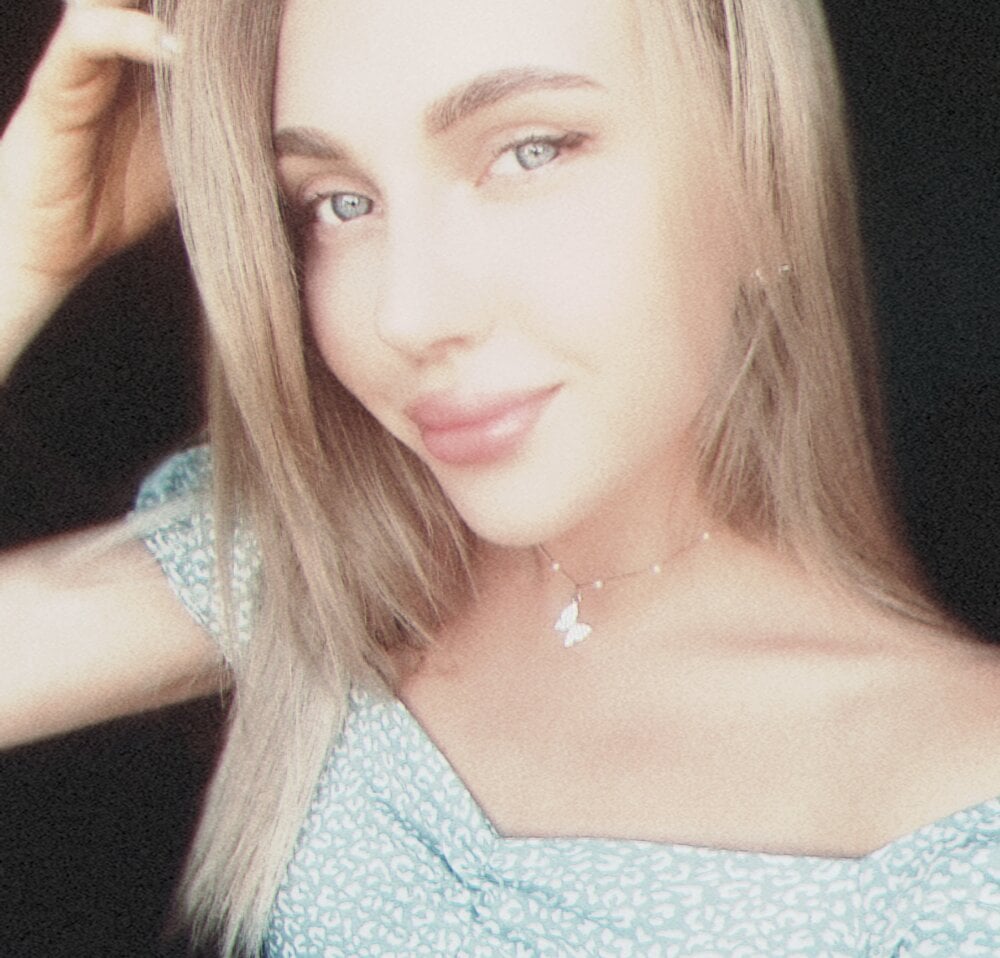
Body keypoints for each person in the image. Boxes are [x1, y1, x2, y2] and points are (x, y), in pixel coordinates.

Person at [2, 0, 999, 955]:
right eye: (339, 203)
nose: (408, 315)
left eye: (529, 152)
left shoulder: (961, 839)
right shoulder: (332, 569)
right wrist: (22, 246)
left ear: (761, 171)